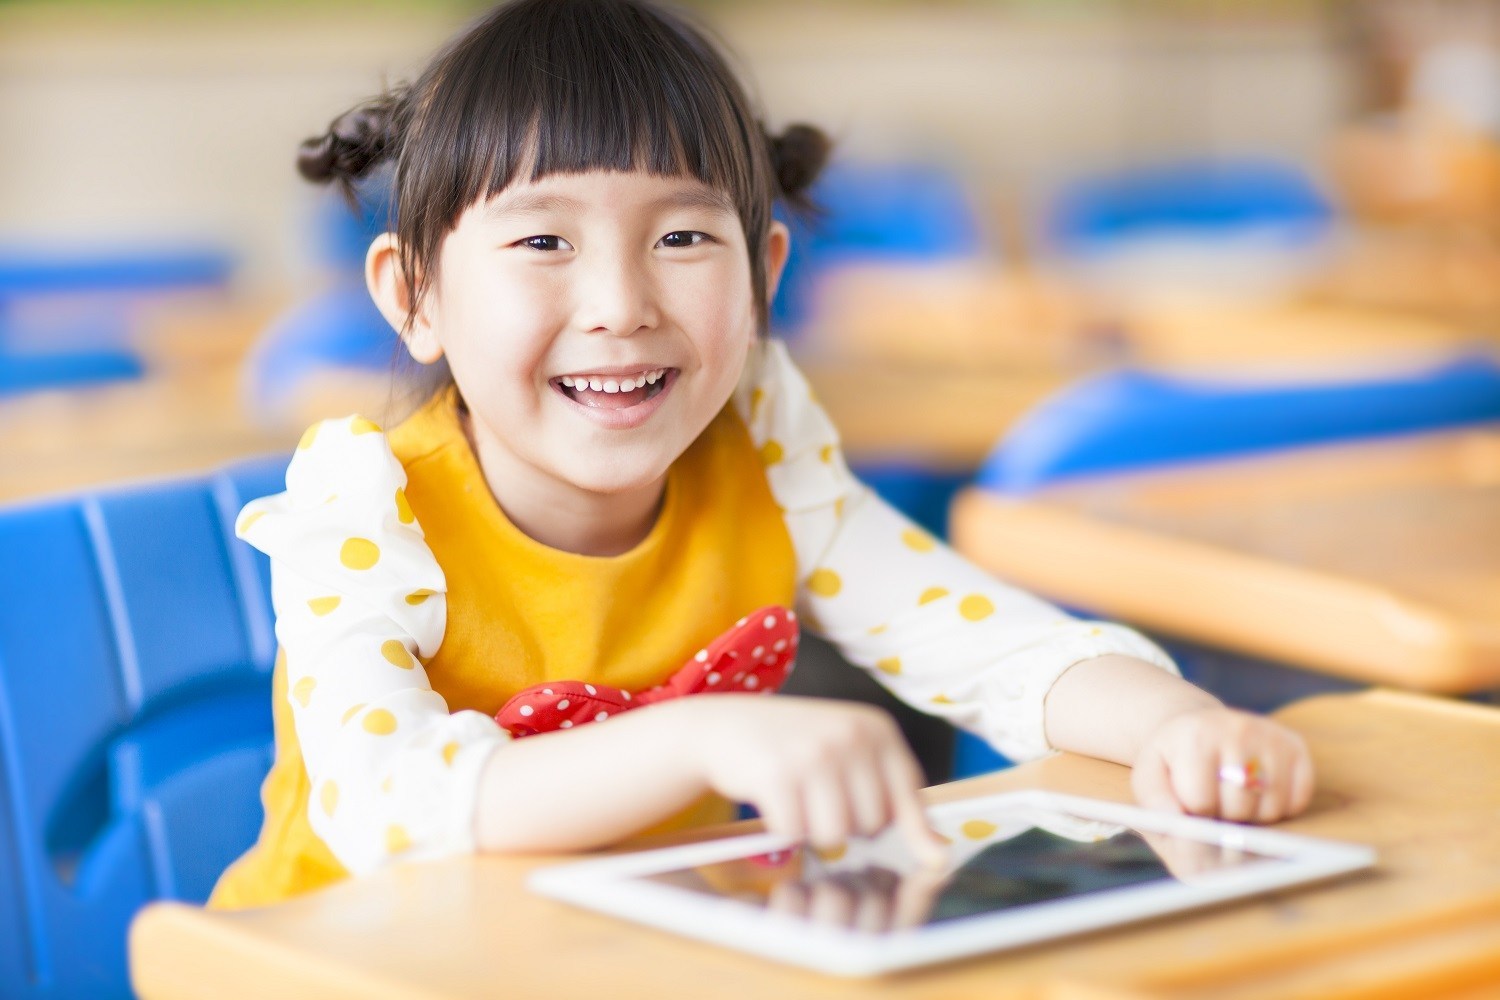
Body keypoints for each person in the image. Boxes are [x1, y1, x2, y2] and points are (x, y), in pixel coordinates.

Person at [209, 0, 1313, 911]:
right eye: (543, 240)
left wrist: (1178, 727)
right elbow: (387, 804)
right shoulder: (365, 508)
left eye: (683, 237)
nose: (619, 306)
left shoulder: (766, 457)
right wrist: (703, 739)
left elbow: (986, 646)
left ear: (764, 273)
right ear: (415, 297)